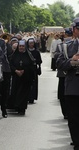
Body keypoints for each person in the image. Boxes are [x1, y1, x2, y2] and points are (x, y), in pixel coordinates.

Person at [56, 17, 79, 150]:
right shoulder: (66, 46)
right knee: (74, 117)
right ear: (74, 30)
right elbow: (59, 64)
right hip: (73, 86)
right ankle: (77, 142)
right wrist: (72, 61)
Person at [9, 40, 36, 115]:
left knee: (23, 94)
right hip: (16, 77)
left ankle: (22, 108)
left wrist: (24, 70)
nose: (21, 48)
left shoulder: (29, 55)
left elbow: (32, 66)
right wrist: (16, 71)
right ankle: (16, 106)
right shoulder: (14, 55)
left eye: (22, 46)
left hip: (26, 78)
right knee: (16, 92)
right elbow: (10, 64)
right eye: (20, 46)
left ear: (25, 47)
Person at [55, 27, 73, 119]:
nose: (68, 37)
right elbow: (56, 57)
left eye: (70, 35)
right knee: (63, 94)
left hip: (72, 73)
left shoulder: (74, 45)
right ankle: (65, 112)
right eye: (67, 35)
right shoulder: (60, 45)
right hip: (63, 73)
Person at [26, 38, 42, 104]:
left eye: (32, 43)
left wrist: (35, 61)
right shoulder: (26, 51)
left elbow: (40, 61)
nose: (31, 45)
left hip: (34, 70)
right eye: (30, 43)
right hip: (27, 70)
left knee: (34, 84)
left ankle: (32, 97)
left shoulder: (36, 52)